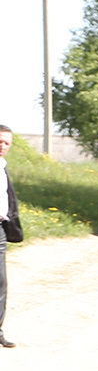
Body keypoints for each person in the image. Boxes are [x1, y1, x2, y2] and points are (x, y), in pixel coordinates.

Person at [0, 125, 18, 347]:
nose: (2, 146)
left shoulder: (2, 167)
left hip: (1, 230)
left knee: (0, 282)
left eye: (7, 143)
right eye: (0, 141)